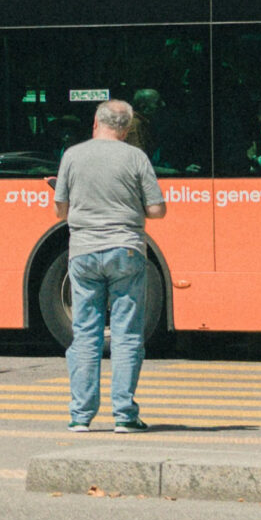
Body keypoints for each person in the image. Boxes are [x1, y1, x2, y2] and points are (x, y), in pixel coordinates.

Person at [50, 99, 168, 433]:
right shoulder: (136, 157)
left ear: (95, 123)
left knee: (85, 333)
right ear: (127, 128)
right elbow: (157, 211)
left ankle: (80, 416)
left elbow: (61, 210)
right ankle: (124, 416)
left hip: (84, 252)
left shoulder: (72, 155)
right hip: (126, 251)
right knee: (127, 333)